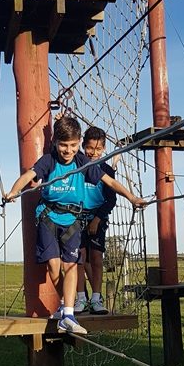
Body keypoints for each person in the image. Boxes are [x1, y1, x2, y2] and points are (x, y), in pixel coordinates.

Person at [3, 115, 146, 335]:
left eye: (72, 145)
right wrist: (14, 191)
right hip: (48, 217)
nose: (68, 150)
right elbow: (29, 175)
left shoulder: (83, 162)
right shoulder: (49, 161)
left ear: (79, 142)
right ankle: (65, 303)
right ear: (55, 143)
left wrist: (132, 197)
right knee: (53, 266)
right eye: (63, 145)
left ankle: (68, 314)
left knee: (70, 265)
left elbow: (110, 181)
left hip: (72, 221)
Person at [75, 126, 117, 315]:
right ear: (83, 146)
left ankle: (96, 298)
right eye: (90, 148)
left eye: (98, 149)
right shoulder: (76, 165)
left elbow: (111, 199)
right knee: (78, 258)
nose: (94, 153)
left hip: (97, 218)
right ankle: (81, 298)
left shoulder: (106, 170)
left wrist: (97, 219)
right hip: (76, 216)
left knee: (96, 257)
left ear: (104, 148)